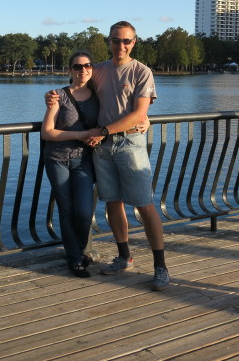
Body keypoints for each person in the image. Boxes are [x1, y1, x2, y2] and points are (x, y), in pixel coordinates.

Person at [46, 21, 169, 290]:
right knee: (112, 202)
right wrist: (51, 96)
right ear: (109, 41)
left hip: (129, 144)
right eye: (116, 40)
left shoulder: (141, 72)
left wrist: (111, 128)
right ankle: (125, 256)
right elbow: (73, 87)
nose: (121, 46)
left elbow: (138, 113)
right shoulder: (98, 69)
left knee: (144, 204)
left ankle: (160, 265)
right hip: (101, 148)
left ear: (134, 42)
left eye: (126, 41)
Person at [41, 51, 102, 277]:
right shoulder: (59, 96)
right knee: (67, 210)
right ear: (70, 70)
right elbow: (47, 132)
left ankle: (80, 249)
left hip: (83, 160)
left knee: (85, 211)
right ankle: (75, 258)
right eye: (77, 67)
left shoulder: (99, 95)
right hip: (57, 159)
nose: (83, 70)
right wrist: (83, 133)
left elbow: (120, 109)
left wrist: (143, 119)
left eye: (87, 66)